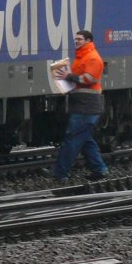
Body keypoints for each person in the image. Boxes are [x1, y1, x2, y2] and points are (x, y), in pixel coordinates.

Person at [52, 29, 109, 181]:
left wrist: (68, 77)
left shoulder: (92, 58)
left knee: (72, 138)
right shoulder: (82, 57)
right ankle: (100, 169)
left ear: (89, 40)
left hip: (87, 106)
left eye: (80, 39)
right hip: (82, 104)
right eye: (75, 39)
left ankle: (60, 173)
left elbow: (88, 78)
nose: (76, 41)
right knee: (85, 140)